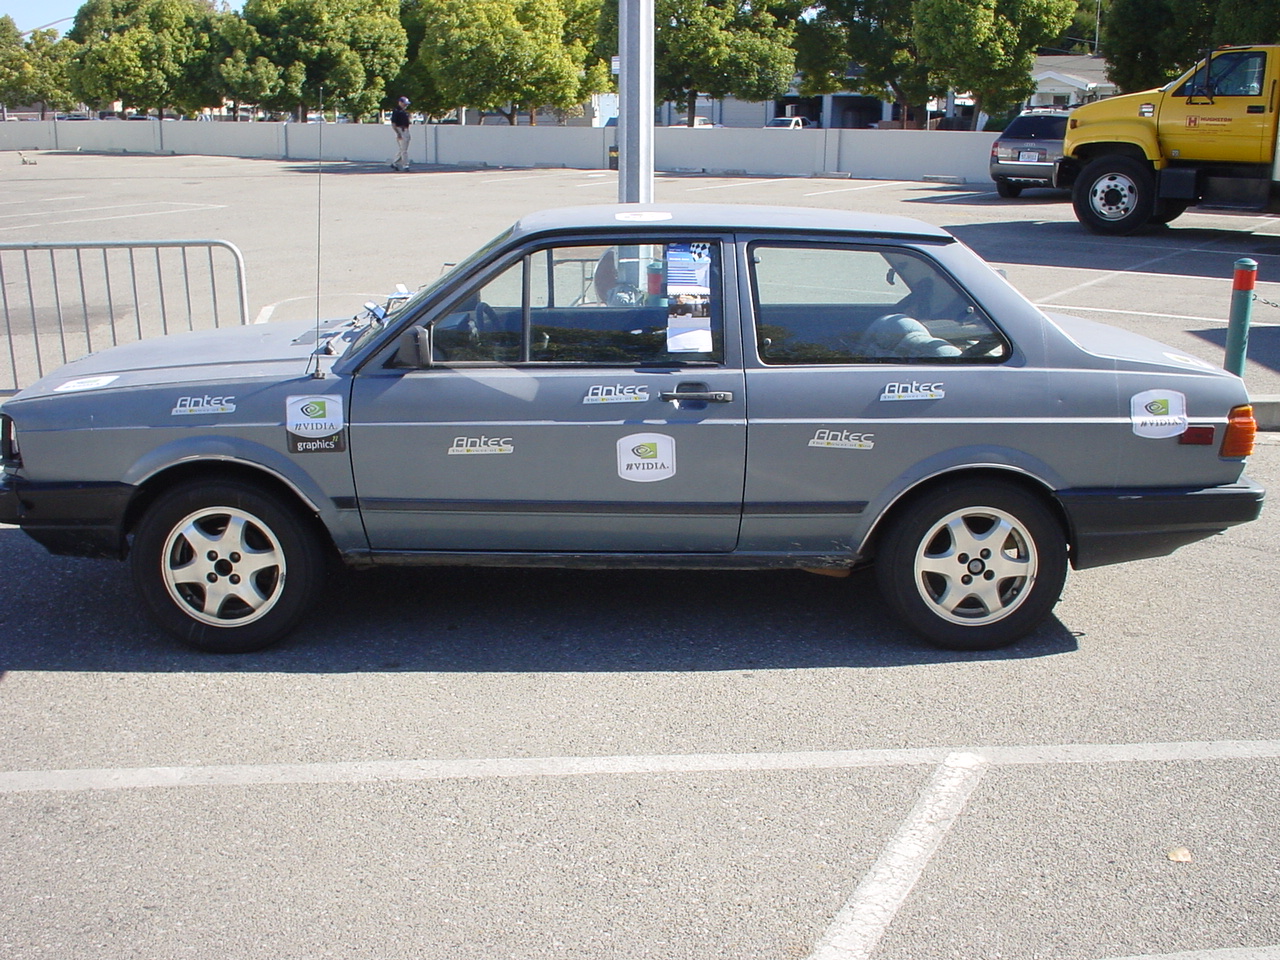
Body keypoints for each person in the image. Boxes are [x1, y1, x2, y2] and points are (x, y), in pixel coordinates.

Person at [390, 96, 411, 171]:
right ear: (400, 103)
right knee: (404, 150)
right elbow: (393, 124)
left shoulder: (403, 111)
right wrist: (398, 133)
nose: (406, 105)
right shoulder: (396, 111)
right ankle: (405, 165)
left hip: (405, 130)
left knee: (402, 149)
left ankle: (394, 162)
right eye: (404, 103)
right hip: (401, 129)